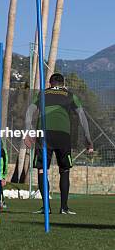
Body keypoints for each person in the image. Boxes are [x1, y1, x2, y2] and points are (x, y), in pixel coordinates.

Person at [24, 72, 94, 215]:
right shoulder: (70, 95)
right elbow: (81, 115)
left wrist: (28, 131)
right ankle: (64, 208)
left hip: (44, 135)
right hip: (63, 135)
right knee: (65, 170)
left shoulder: (42, 94)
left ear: (50, 83)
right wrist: (88, 138)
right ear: (63, 84)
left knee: (42, 169)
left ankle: (46, 207)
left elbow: (29, 111)